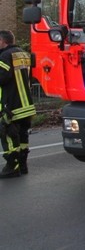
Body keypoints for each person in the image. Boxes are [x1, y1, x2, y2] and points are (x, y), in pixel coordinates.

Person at [0, 30, 36, 178]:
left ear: (3, 41)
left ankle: (12, 167)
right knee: (22, 136)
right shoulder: (23, 54)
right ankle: (22, 165)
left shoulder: (4, 56)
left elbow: (2, 78)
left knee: (7, 134)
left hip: (11, 105)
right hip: (26, 104)